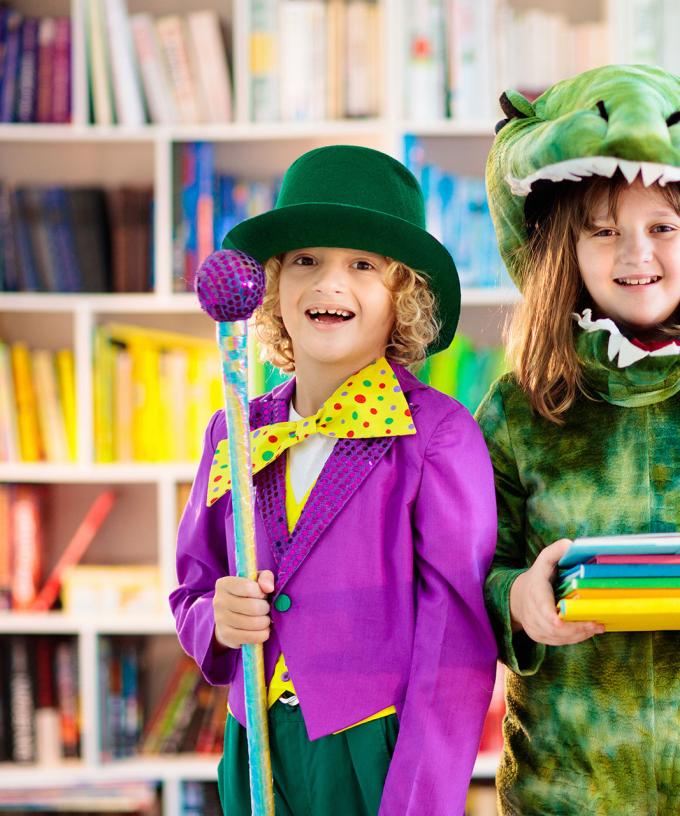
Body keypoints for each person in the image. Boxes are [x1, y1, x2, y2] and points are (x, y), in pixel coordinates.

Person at [170, 145, 498, 815]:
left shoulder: (438, 437)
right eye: (306, 261)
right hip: (255, 747)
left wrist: (416, 803)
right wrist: (216, 621)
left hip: (374, 752)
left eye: (362, 265)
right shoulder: (234, 430)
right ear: (272, 288)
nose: (329, 283)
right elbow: (193, 588)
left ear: (403, 296)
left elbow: (454, 649)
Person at [477, 64, 680, 815]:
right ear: (566, 244)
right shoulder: (516, 408)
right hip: (566, 791)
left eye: (663, 227)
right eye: (604, 230)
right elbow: (466, 575)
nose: (636, 254)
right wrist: (518, 600)